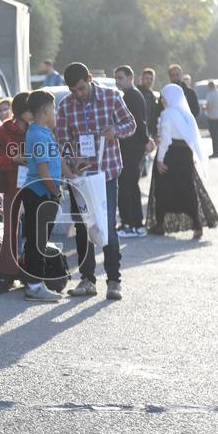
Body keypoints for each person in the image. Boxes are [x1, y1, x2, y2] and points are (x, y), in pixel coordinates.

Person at [57, 62, 136, 301]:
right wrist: (72, 158)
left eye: (81, 88)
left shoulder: (112, 97)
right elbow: (62, 139)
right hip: (80, 177)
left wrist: (115, 131)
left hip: (107, 173)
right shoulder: (65, 105)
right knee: (83, 227)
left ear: (90, 78)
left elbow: (131, 125)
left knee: (106, 225)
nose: (78, 94)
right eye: (73, 90)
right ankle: (87, 279)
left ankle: (114, 280)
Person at [146, 85, 218, 239]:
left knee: (163, 189)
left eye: (164, 97)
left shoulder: (167, 114)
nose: (162, 100)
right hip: (185, 154)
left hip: (170, 154)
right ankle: (197, 225)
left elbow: (165, 140)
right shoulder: (187, 115)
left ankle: (160, 224)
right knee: (188, 189)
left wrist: (159, 159)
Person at [20, 90, 63, 302]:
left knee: (39, 240)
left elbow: (56, 162)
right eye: (53, 109)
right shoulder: (37, 134)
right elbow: (44, 172)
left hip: (43, 193)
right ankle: (35, 286)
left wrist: (72, 175)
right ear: (46, 111)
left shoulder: (43, 132)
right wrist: (56, 193)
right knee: (37, 242)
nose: (55, 113)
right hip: (39, 194)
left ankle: (35, 283)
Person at [0, 92, 31, 294]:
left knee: (34, 229)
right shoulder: (5, 129)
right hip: (12, 185)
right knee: (11, 230)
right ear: (21, 112)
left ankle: (31, 270)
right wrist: (13, 160)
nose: (35, 113)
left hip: (34, 184)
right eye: (31, 110)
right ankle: (6, 273)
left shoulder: (40, 129)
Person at [114, 65, 154, 238]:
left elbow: (139, 122)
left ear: (131, 78)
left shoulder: (132, 96)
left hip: (131, 148)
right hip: (131, 146)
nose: (117, 81)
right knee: (130, 185)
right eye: (116, 78)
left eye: (120, 78)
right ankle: (135, 223)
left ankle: (129, 224)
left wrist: (146, 140)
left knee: (126, 186)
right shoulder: (130, 95)